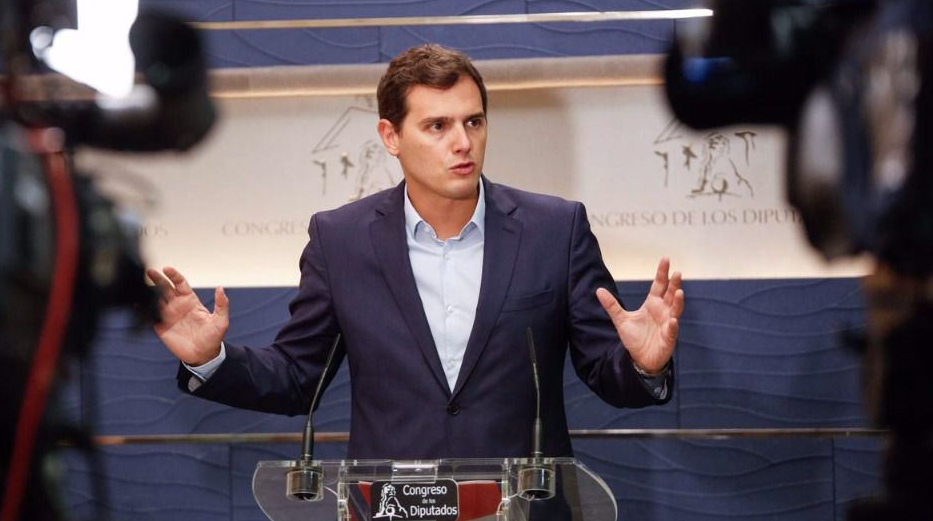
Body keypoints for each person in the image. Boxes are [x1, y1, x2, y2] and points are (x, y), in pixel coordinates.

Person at [147, 44, 684, 460]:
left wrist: (644, 364)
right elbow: (295, 379)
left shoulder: (555, 230)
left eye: (473, 121)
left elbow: (605, 372)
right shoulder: (340, 240)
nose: (462, 142)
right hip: (391, 509)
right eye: (437, 126)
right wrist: (209, 359)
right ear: (391, 136)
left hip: (523, 508)